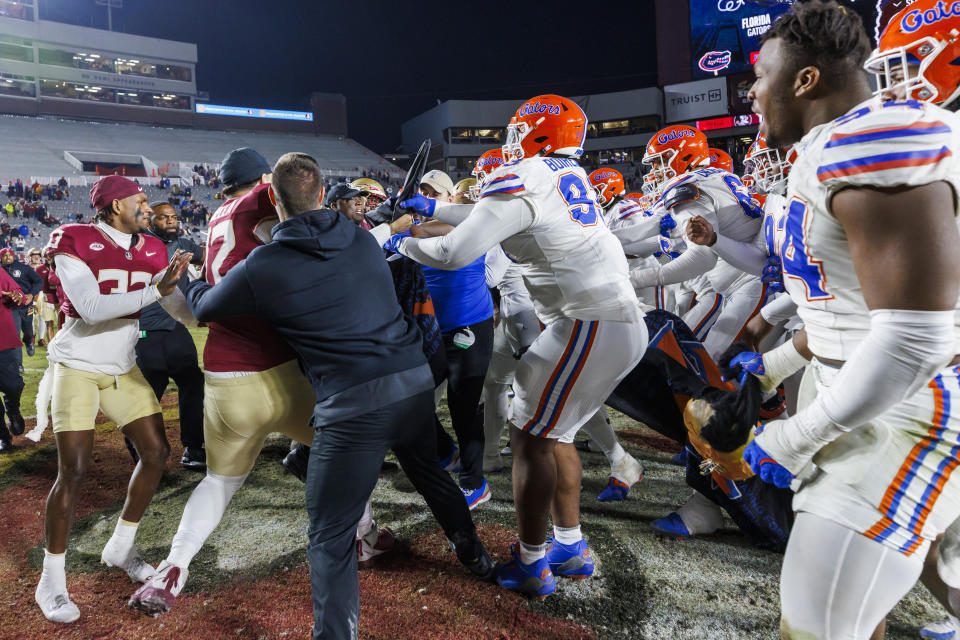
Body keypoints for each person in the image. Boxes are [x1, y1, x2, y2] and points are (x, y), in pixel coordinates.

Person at [176, 152, 493, 639]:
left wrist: (186, 278)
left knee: (329, 535)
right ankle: (472, 551)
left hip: (352, 407)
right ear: (323, 194)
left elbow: (204, 308)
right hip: (411, 384)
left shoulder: (266, 264)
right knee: (429, 473)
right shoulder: (363, 240)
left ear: (275, 205)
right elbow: (381, 232)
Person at [744, 3, 960, 638]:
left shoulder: (874, 137)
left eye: (761, 74)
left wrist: (797, 435)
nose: (753, 92)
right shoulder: (832, 145)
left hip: (907, 411)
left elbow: (916, 335)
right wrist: (778, 367)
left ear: (804, 79)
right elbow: (851, 304)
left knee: (817, 626)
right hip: (871, 393)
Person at [391, 94, 647, 598]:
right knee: (557, 436)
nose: (509, 142)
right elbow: (492, 214)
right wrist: (433, 206)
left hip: (585, 322)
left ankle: (532, 563)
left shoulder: (525, 174)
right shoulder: (560, 174)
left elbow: (452, 251)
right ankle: (569, 547)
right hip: (608, 321)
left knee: (529, 437)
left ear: (537, 134)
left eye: (516, 132)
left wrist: (399, 241)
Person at [35, 175, 192, 623]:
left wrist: (217, 309)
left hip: (122, 366)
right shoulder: (75, 239)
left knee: (157, 452)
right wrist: (155, 290)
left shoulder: (152, 248)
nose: (147, 208)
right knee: (74, 471)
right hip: (77, 365)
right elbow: (90, 306)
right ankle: (51, 580)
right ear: (114, 205)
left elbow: (177, 305)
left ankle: (120, 547)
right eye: (140, 201)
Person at [414, 169, 496, 509]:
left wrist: (405, 227)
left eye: (433, 194)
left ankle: (475, 481)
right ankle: (447, 452)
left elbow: (449, 234)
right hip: (430, 329)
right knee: (410, 398)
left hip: (470, 329)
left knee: (464, 407)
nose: (427, 198)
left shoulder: (469, 224)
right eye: (423, 193)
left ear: (449, 200)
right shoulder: (416, 227)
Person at [134, 202, 207, 470]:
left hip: (176, 326)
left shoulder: (184, 243)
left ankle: (194, 446)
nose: (171, 222)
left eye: (174, 217)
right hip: (145, 328)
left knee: (193, 380)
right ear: (149, 221)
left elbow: (210, 256)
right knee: (151, 388)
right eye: (163, 218)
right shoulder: (137, 243)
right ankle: (144, 447)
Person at [0, 247, 42, 362]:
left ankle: (29, 342)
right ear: (1, 257)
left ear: (14, 256)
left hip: (28, 306)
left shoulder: (24, 268)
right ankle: (19, 364)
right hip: (11, 307)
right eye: (5, 255)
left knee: (29, 331)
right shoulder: (0, 271)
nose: (8, 257)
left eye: (10, 255)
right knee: (15, 334)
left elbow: (40, 281)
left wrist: (32, 294)